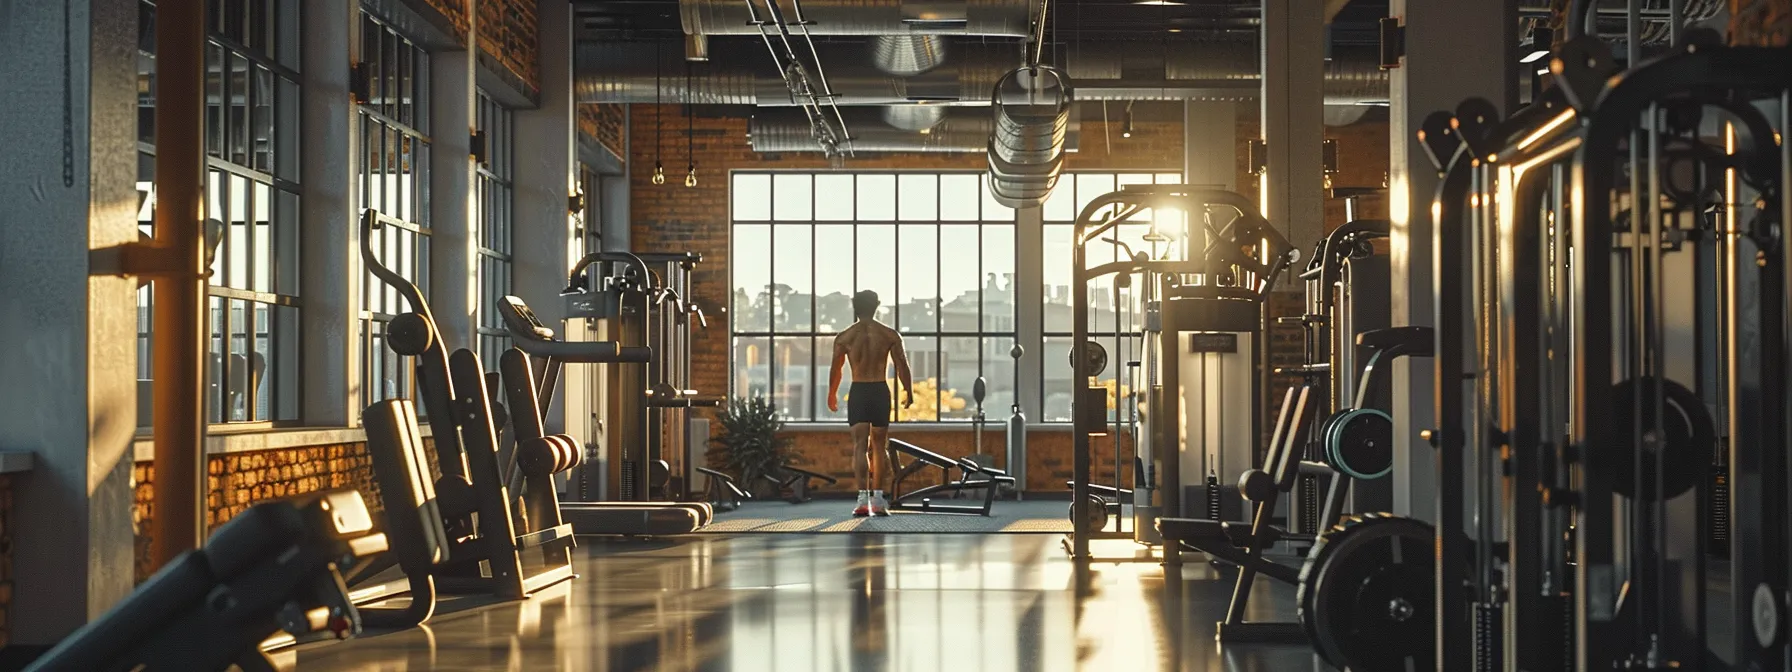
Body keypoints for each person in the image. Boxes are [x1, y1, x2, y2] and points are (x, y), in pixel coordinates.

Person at [827, 290, 913, 517]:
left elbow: (836, 369)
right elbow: (902, 365)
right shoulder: (889, 334)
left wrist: (831, 393)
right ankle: (878, 499)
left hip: (859, 391)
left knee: (859, 446)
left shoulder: (845, 336)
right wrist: (909, 390)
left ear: (855, 307)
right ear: (876, 306)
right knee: (878, 446)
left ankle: (862, 500)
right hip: (879, 390)